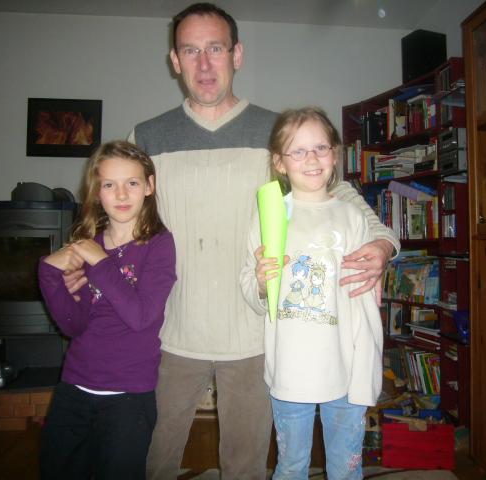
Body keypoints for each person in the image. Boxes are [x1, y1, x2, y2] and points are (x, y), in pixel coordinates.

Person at [94, 3, 399, 479]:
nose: (203, 64)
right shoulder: (147, 137)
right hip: (169, 334)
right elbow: (117, 216)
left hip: (257, 336)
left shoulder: (276, 134)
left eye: (215, 48)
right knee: (153, 461)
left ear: (237, 54)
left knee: (246, 466)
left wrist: (383, 245)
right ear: (174, 60)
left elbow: (340, 196)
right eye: (190, 51)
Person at [240, 107, 384, 480]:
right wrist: (260, 281)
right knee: (290, 466)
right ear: (280, 162)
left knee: (347, 467)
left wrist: (366, 367)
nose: (312, 158)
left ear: (334, 155)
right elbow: (250, 288)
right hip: (290, 370)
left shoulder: (352, 217)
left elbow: (364, 296)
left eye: (320, 148)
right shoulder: (269, 215)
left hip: (346, 369)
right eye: (299, 150)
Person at [38, 140, 176, 479]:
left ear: (149, 186)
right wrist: (49, 275)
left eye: (132, 182)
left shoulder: (159, 244)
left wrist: (100, 263)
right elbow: (73, 325)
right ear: (96, 192)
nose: (122, 194)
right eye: (109, 185)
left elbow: (141, 317)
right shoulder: (89, 243)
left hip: (128, 396)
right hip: (74, 387)